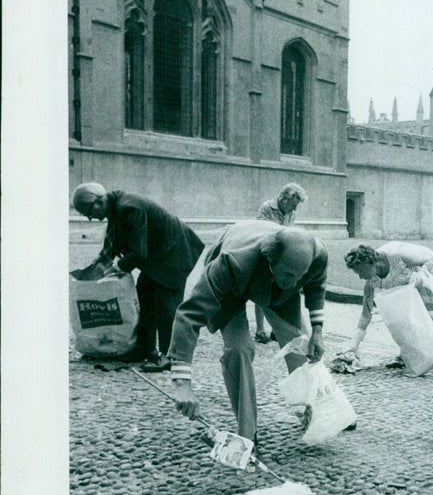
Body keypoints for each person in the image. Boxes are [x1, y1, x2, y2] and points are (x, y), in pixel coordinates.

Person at [167, 221, 327, 441]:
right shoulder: (230, 263)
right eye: (290, 274)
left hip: (275, 286)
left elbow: (315, 284)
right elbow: (189, 316)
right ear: (272, 259)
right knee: (239, 350)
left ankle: (318, 410)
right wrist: (182, 384)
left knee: (300, 344)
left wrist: (317, 331)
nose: (295, 282)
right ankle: (247, 435)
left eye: (300, 275)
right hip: (232, 288)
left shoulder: (315, 257)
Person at [71, 183, 204, 372]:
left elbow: (137, 253)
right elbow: (113, 242)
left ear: (99, 200)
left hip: (175, 253)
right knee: (145, 297)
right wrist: (96, 268)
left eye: (90, 212)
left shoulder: (129, 207)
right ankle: (143, 349)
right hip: (158, 255)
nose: (92, 218)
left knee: (167, 306)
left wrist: (116, 267)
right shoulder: (116, 206)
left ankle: (170, 357)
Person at [337, 242, 433, 370]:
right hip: (404, 279)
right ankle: (406, 354)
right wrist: (354, 344)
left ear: (369, 263)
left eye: (360, 271)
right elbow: (366, 314)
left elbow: (430, 259)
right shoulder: (371, 281)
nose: (360, 277)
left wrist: (420, 277)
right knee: (399, 313)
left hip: (424, 268)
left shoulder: (398, 254)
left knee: (425, 308)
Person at [253, 183, 308, 343]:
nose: (295, 210)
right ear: (284, 199)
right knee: (261, 290)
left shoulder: (291, 213)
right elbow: (260, 230)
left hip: (282, 257)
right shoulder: (266, 208)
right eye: (293, 205)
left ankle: (276, 330)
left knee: (284, 289)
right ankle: (260, 329)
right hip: (265, 253)